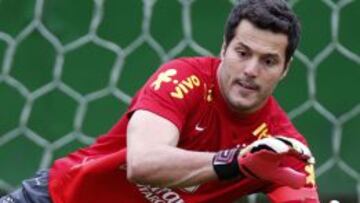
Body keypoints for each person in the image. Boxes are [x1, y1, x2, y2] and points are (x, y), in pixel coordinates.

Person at [0, 0, 320, 202]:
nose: (251, 70)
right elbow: (143, 163)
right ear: (224, 49)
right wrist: (235, 162)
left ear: (285, 69)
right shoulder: (183, 78)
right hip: (59, 198)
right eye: (242, 53)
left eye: (268, 61)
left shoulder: (284, 147)